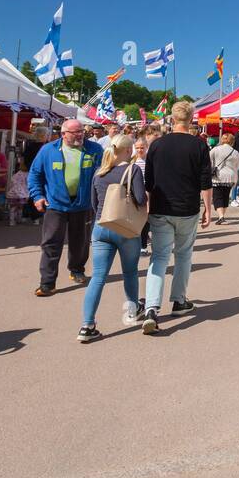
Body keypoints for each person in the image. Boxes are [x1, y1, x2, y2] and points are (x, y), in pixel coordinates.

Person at [141, 100, 212, 333]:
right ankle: (179, 300)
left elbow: (148, 182)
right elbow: (205, 182)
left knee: (159, 258)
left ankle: (151, 307)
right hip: (187, 208)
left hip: (161, 208)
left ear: (172, 118)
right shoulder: (199, 145)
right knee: (183, 256)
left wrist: (148, 208)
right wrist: (208, 209)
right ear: (191, 119)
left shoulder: (157, 145)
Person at [79, 135, 148, 342]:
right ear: (128, 151)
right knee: (129, 272)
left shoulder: (99, 173)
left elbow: (93, 202)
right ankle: (132, 309)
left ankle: (87, 324)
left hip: (101, 226)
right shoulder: (132, 170)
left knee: (98, 277)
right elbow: (139, 198)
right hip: (125, 228)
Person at [28, 119, 104, 297]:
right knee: (51, 243)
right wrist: (37, 196)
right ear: (63, 134)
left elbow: (102, 173)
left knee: (81, 241)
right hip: (55, 205)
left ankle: (77, 270)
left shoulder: (94, 149)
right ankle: (47, 283)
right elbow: (35, 174)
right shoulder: (48, 150)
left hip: (83, 205)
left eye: (82, 132)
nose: (80, 135)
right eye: (75, 132)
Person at [209, 131, 239, 225]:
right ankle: (222, 215)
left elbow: (209, 161)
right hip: (230, 177)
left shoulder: (215, 149)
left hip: (218, 176)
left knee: (217, 196)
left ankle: (221, 216)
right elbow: (237, 166)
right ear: (232, 141)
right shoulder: (235, 152)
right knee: (225, 196)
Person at [7, 159, 30, 226]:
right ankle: (19, 218)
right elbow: (28, 184)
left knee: (13, 207)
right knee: (20, 206)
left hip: (13, 193)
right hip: (21, 194)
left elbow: (12, 181)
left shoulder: (16, 174)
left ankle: (11, 221)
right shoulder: (27, 174)